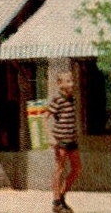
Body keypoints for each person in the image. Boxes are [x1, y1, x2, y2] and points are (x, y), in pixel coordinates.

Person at [47, 75, 80, 213]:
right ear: (60, 84)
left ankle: (61, 196)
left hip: (72, 139)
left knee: (77, 169)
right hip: (61, 140)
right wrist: (50, 137)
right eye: (68, 81)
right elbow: (45, 117)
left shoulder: (71, 99)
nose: (71, 83)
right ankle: (56, 200)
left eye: (71, 80)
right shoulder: (57, 100)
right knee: (59, 168)